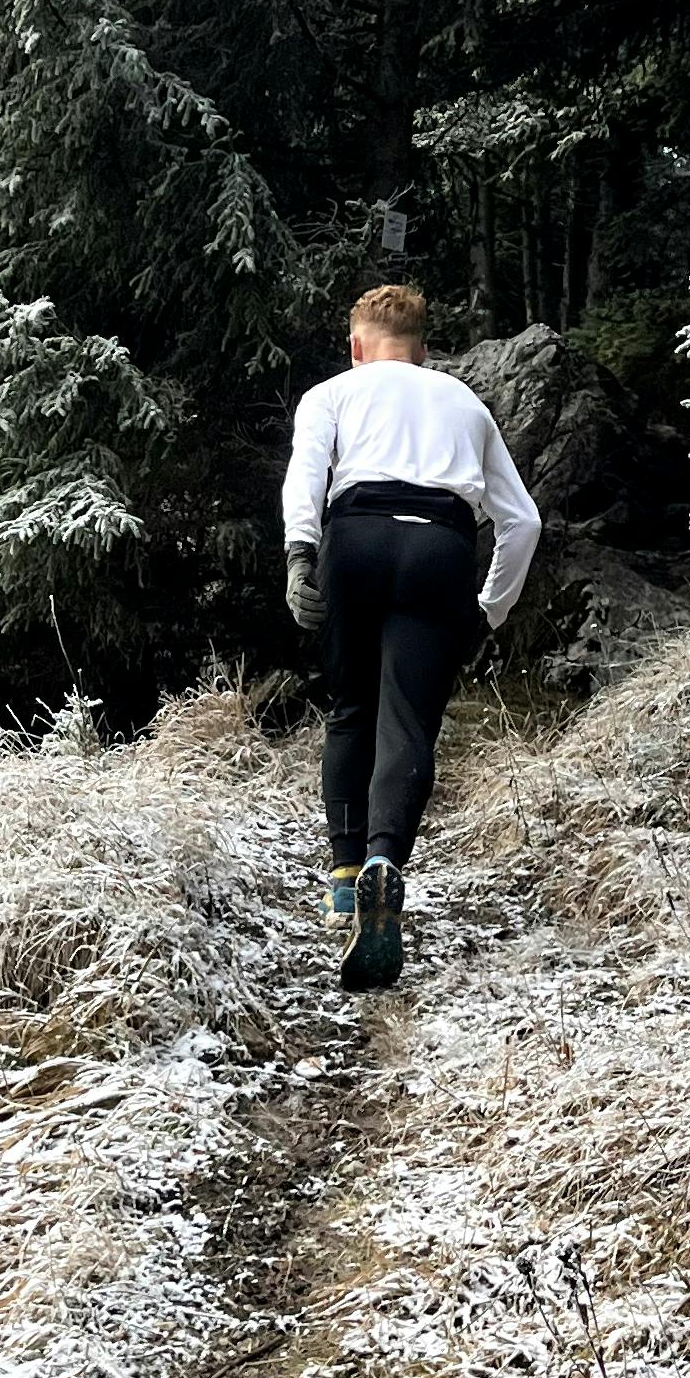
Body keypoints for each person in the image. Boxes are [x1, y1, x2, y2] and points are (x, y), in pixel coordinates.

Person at [281, 284, 541, 991]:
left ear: (357, 347)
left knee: (350, 709)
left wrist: (300, 555)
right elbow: (523, 523)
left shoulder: (332, 393)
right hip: (440, 550)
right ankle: (384, 861)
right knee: (408, 723)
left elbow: (307, 475)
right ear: (425, 350)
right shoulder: (464, 403)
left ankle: (341, 880)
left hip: (355, 540)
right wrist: (489, 610)